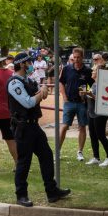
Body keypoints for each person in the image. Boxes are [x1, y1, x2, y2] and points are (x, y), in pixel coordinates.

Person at [7, 53, 71, 207]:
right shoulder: (14, 83)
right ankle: (21, 195)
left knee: (47, 156)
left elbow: (37, 94)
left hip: (33, 125)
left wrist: (41, 90)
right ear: (22, 64)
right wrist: (40, 93)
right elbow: (28, 102)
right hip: (23, 127)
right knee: (24, 162)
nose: (32, 65)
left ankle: (52, 191)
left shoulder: (27, 80)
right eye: (29, 62)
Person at [58, 47, 93, 162]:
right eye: (74, 57)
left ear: (82, 57)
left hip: (82, 104)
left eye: (78, 57)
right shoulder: (67, 68)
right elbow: (61, 82)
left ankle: (80, 152)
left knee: (82, 126)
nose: (76, 60)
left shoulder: (87, 71)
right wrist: (64, 97)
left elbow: (91, 86)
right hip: (69, 103)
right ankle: (57, 152)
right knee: (64, 127)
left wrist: (85, 92)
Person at [86, 53, 108, 167]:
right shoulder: (93, 84)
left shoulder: (103, 84)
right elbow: (91, 96)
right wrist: (84, 94)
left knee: (101, 135)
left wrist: (90, 95)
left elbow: (103, 99)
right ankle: (96, 157)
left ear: (98, 73)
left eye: (93, 71)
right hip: (91, 111)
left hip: (100, 113)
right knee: (93, 135)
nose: (92, 72)